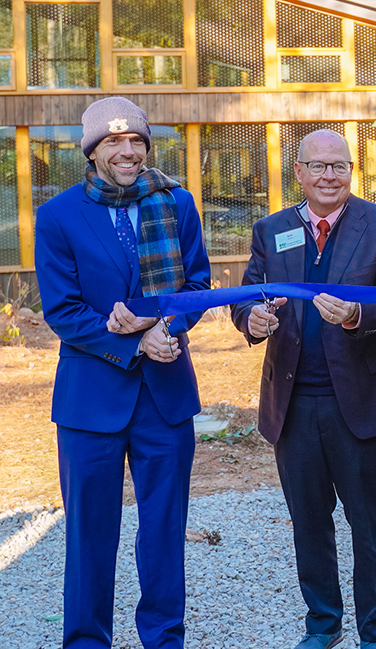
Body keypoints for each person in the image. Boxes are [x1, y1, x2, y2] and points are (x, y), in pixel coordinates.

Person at [230, 129, 376, 649]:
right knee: (309, 523)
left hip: (363, 402)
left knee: (369, 523)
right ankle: (322, 625)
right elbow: (246, 295)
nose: (328, 176)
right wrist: (251, 319)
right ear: (298, 173)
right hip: (293, 403)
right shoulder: (271, 229)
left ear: (351, 171)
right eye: (316, 166)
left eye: (338, 165)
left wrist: (361, 312)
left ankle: (374, 632)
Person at [35, 97, 211, 648]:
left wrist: (171, 328)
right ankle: (87, 642)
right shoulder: (58, 215)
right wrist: (136, 342)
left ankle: (164, 640)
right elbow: (63, 310)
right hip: (90, 403)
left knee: (162, 533)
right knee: (90, 537)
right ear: (91, 151)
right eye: (114, 142)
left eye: (136, 141)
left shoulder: (177, 203)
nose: (128, 151)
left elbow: (198, 287)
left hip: (166, 397)